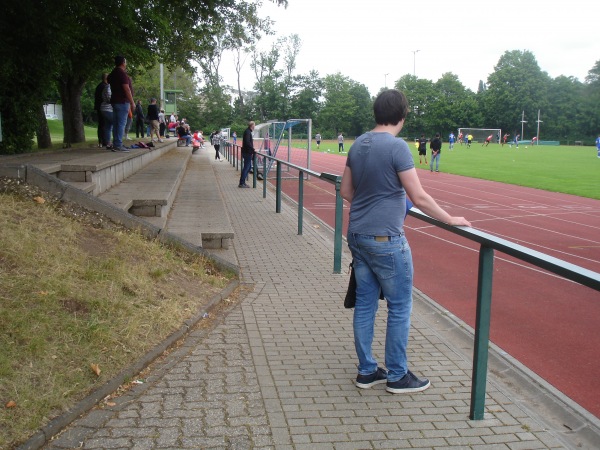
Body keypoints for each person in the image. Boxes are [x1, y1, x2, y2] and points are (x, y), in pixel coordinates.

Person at [340, 89, 471, 394]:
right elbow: (419, 196)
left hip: (357, 234)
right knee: (399, 306)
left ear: (376, 113)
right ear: (402, 115)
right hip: (386, 238)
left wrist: (371, 202)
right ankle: (398, 375)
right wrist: (451, 219)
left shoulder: (358, 143)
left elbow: (346, 191)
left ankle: (367, 371)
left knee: (365, 305)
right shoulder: (398, 147)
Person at [107, 55, 135, 152]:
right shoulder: (121, 74)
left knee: (116, 123)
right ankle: (118, 144)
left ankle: (116, 143)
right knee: (121, 123)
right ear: (123, 62)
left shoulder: (113, 73)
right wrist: (132, 102)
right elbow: (126, 89)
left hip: (115, 100)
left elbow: (108, 80)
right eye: (125, 62)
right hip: (122, 101)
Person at [239, 121, 256, 188]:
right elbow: (247, 142)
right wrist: (253, 149)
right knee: (246, 168)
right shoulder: (248, 132)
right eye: (254, 125)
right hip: (247, 152)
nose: (255, 126)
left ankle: (242, 182)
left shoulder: (248, 132)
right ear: (252, 125)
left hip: (247, 152)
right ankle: (242, 183)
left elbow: (247, 142)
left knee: (248, 168)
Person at [94, 73, 109, 147]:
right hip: (104, 107)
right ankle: (104, 141)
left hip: (99, 107)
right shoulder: (105, 87)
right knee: (105, 124)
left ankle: (100, 141)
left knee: (101, 125)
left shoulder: (99, 86)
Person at [99, 79, 113, 150]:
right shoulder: (108, 87)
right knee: (115, 124)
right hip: (108, 109)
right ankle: (116, 142)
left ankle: (108, 143)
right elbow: (109, 99)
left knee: (108, 126)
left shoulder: (108, 87)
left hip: (106, 109)